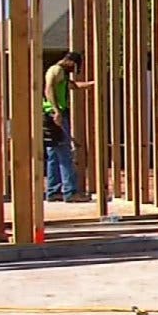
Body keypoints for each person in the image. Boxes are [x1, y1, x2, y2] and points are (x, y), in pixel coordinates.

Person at [43, 51, 95, 202]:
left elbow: (74, 86)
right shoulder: (56, 70)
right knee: (65, 154)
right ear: (70, 62)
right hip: (54, 115)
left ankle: (53, 192)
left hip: (49, 115)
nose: (73, 69)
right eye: (74, 66)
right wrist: (56, 111)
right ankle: (71, 192)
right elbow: (49, 89)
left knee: (53, 154)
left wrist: (91, 84)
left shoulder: (61, 73)